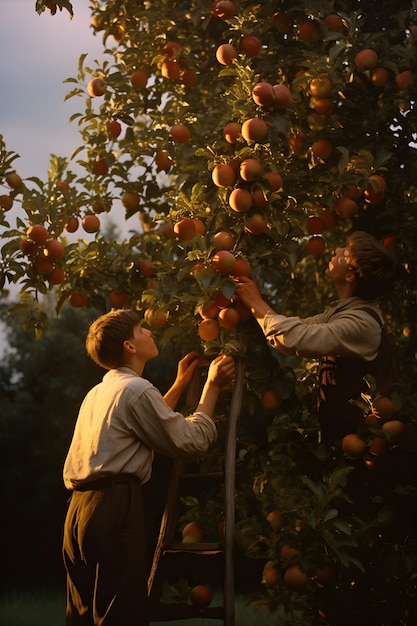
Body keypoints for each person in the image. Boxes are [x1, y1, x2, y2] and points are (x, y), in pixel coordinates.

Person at [62, 308, 235, 626]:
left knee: (83, 616)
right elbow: (191, 442)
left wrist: (180, 384)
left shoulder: (98, 393)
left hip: (78, 513)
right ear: (129, 346)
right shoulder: (135, 390)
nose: (149, 332)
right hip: (114, 505)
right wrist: (212, 387)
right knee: (121, 614)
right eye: (142, 329)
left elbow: (143, 424)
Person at [235, 230, 402, 441]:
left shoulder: (362, 324)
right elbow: (293, 331)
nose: (337, 249)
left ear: (351, 275)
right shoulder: (342, 313)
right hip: (345, 444)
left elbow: (295, 338)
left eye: (345, 251)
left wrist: (256, 303)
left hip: (372, 453)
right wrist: (253, 305)